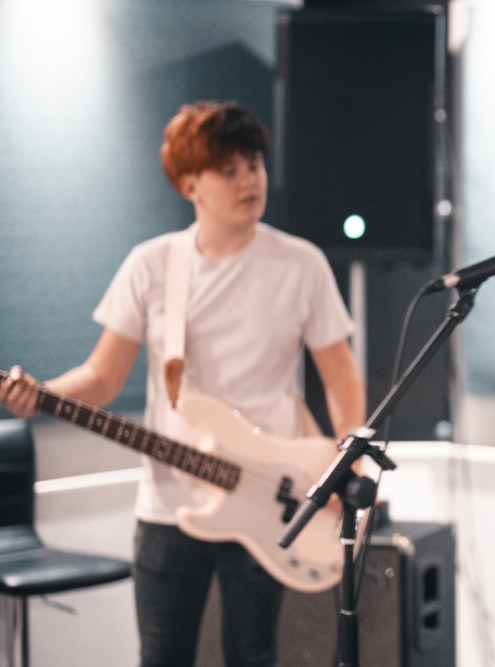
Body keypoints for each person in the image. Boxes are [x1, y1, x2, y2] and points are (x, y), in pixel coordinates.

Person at [0, 100, 366, 666]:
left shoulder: (302, 264)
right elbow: (101, 378)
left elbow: (342, 381)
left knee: (254, 656)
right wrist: (41, 394)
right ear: (189, 184)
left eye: (255, 164)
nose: (250, 179)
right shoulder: (152, 266)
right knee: (162, 657)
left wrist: (348, 466)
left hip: (271, 495)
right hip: (168, 509)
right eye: (230, 169)